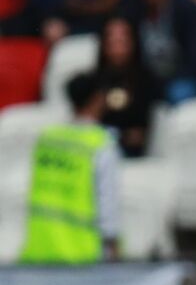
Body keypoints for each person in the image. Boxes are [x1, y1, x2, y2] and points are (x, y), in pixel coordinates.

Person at [19, 72, 120, 265]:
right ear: (98, 99)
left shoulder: (47, 139)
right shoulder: (101, 144)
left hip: (40, 251)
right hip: (82, 256)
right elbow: (107, 203)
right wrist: (113, 250)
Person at [119, 0, 196, 103]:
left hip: (183, 79)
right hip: (146, 81)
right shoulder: (130, 11)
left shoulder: (188, 10)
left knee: (180, 91)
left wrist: (164, 84)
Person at [94, 16, 161, 157]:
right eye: (111, 41)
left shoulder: (147, 80)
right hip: (95, 150)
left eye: (122, 41)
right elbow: (83, 123)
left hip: (131, 154)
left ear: (133, 42)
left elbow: (138, 136)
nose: (117, 47)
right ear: (103, 44)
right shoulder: (91, 80)